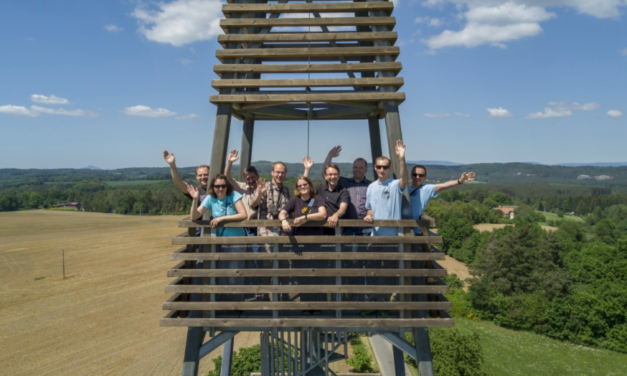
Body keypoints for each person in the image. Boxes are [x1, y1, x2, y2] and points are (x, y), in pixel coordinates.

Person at [187, 174, 247, 301]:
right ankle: (222, 302)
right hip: (219, 242)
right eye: (217, 186)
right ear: (213, 187)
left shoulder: (234, 195)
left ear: (227, 186)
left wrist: (221, 218)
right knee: (221, 272)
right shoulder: (210, 198)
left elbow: (243, 215)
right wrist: (194, 199)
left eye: (223, 186)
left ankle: (236, 302)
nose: (220, 189)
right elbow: (194, 216)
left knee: (235, 273)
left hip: (236, 242)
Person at [278, 176, 327, 313]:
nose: (302, 187)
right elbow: (282, 212)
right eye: (300, 186)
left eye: (305, 184)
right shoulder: (295, 200)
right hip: (299, 244)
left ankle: (318, 307)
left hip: (316, 243)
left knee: (317, 275)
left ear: (310, 185)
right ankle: (306, 306)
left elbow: (323, 214)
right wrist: (283, 221)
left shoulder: (317, 199)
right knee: (302, 276)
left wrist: (304, 217)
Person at [251, 157, 314, 238]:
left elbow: (303, 187)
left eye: (282, 172)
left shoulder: (286, 190)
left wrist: (307, 170)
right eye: (277, 172)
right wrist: (259, 194)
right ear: (272, 173)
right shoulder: (264, 187)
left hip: (285, 233)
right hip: (267, 233)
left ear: (285, 174)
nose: (280, 175)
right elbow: (253, 204)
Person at [410, 165, 476, 234]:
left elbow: (444, 185)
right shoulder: (403, 188)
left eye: (421, 175)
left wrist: (460, 181)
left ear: (425, 177)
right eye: (415, 174)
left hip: (414, 231)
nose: (417, 177)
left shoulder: (426, 189)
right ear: (411, 175)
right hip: (398, 228)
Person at [322, 146, 372, 235]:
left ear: (366, 170)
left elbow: (372, 205)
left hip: (366, 224)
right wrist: (329, 156)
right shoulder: (344, 182)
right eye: (355, 167)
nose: (357, 170)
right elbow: (326, 175)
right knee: (348, 248)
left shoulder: (371, 185)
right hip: (347, 225)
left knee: (365, 249)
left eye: (361, 168)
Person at [364, 139, 409, 236]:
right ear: (375, 167)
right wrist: (368, 216)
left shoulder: (395, 185)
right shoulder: (371, 187)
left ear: (389, 168)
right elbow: (370, 208)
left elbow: (405, 180)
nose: (382, 170)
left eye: (385, 167)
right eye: (379, 167)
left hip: (393, 237)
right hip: (375, 235)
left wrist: (401, 159)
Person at [316, 164, 350, 235]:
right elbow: (304, 187)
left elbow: (343, 208)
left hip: (336, 229)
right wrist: (307, 169)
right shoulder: (320, 189)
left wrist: (335, 215)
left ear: (338, 176)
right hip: (320, 230)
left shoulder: (343, 192)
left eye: (335, 174)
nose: (333, 177)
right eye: (330, 174)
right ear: (325, 176)